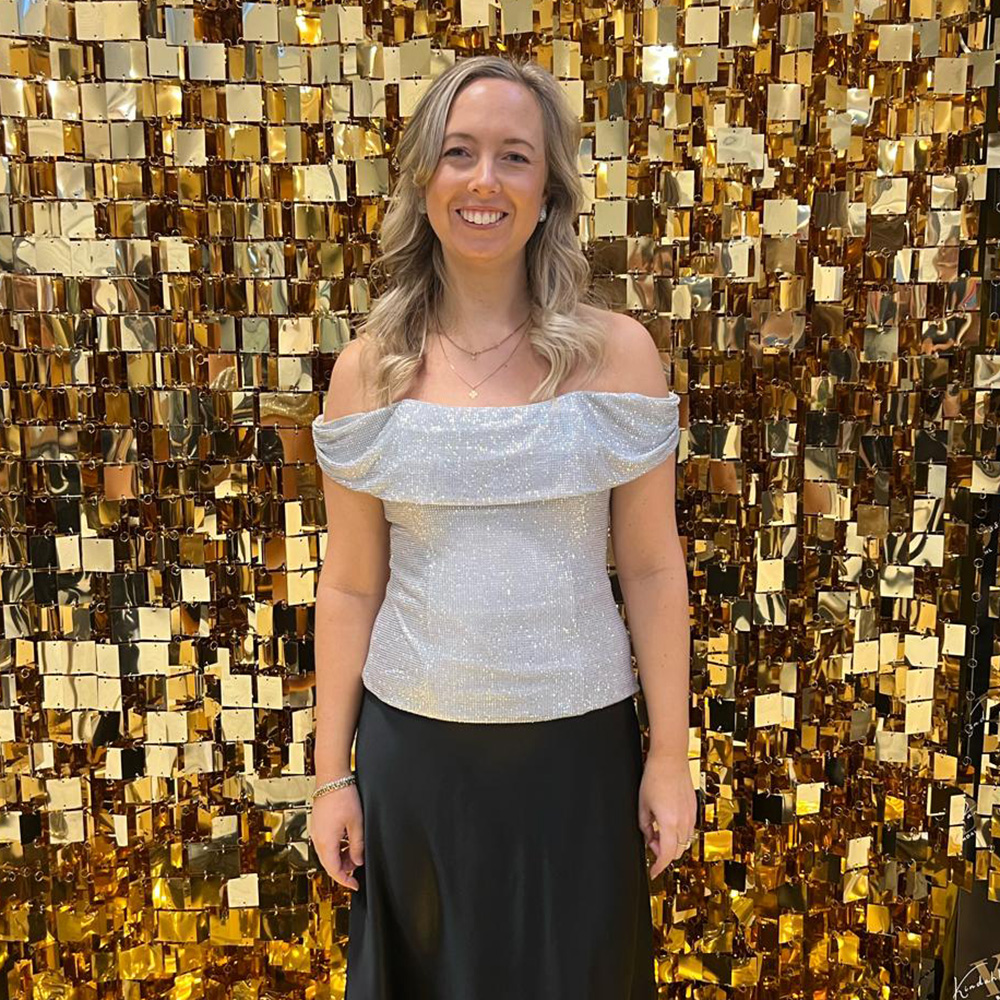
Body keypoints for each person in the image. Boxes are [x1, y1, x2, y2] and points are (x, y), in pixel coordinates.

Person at [309, 54, 697, 1000]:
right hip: (416, 767)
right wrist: (329, 778)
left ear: (548, 187)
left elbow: (652, 568)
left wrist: (670, 757)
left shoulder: (618, 357)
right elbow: (351, 584)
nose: (484, 181)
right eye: (459, 153)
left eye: (514, 157)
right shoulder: (368, 371)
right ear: (424, 179)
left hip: (577, 762)